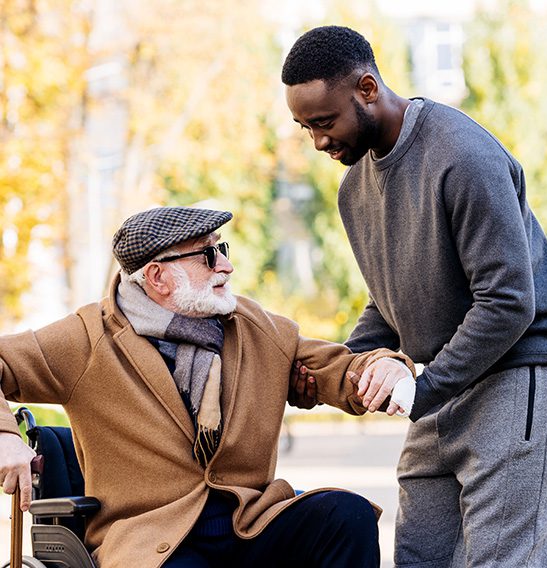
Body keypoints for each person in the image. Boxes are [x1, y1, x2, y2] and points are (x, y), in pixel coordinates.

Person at [0, 206, 415, 568]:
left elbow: (340, 370)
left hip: (247, 522)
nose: (225, 266)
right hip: (150, 540)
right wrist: (5, 437)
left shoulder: (254, 327)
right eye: (207, 255)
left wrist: (385, 366)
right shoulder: (88, 339)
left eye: (222, 249)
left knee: (347, 516)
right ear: (158, 276)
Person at [282, 25, 547, 568]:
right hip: (434, 393)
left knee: (501, 560)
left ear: (366, 88)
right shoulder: (354, 189)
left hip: (510, 380)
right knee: (416, 557)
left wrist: (424, 387)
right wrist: (337, 370)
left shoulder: (462, 155)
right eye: (305, 128)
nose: (318, 142)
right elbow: (387, 303)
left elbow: (508, 301)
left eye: (325, 122)